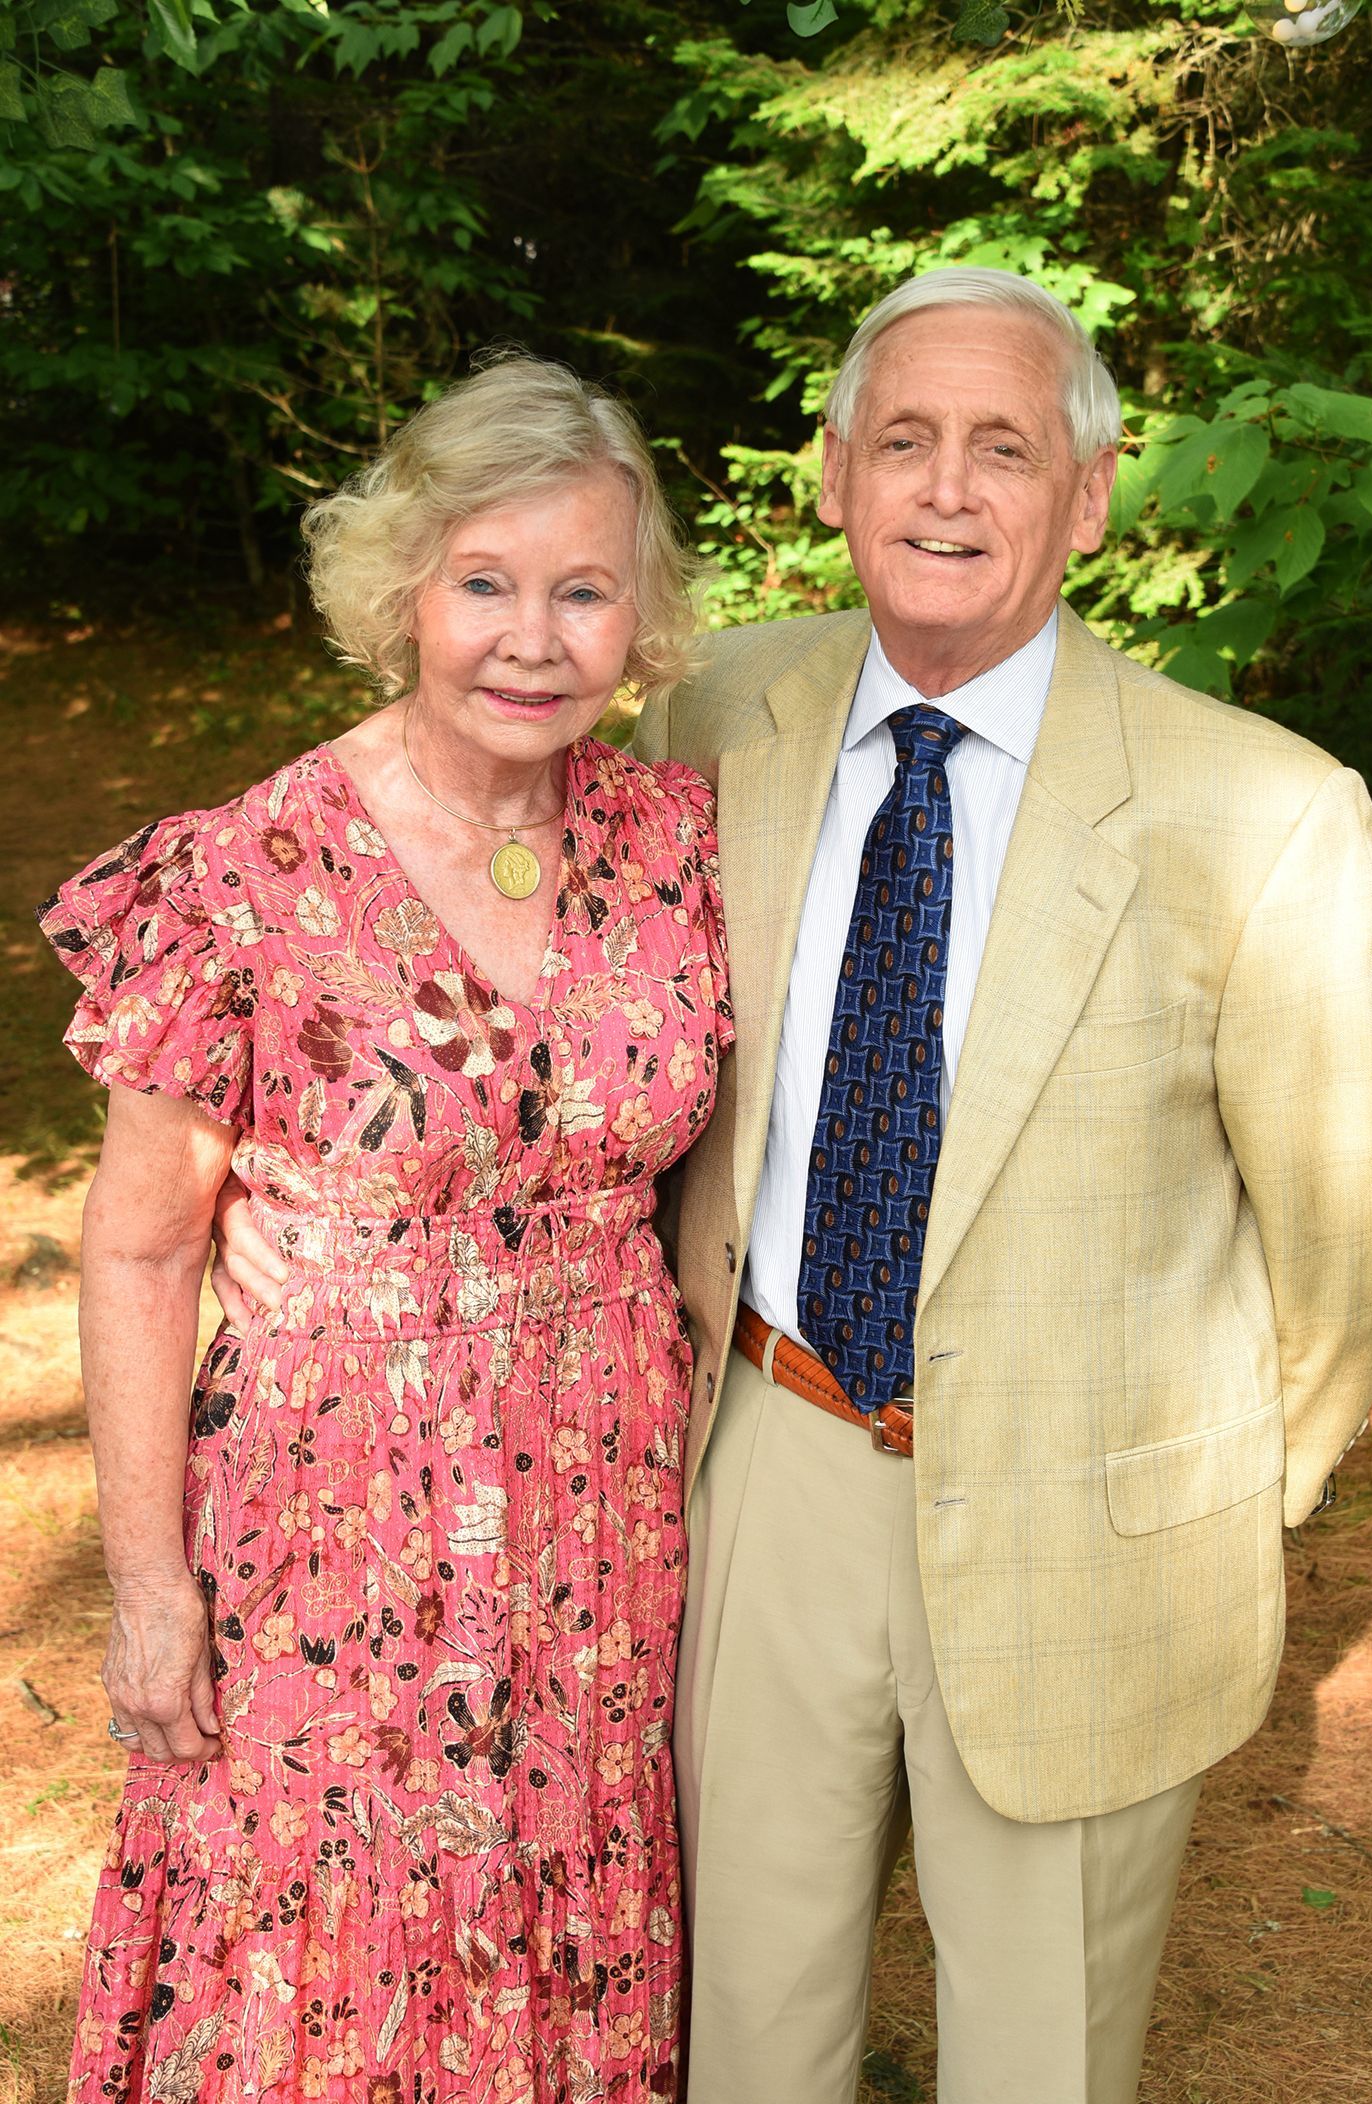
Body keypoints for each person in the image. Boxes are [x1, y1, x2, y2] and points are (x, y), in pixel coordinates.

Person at [217, 269, 1372, 2104]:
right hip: (764, 1467)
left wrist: (1227, 1479)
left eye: (1004, 449)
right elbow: (534, 978)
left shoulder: (1256, 809)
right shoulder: (719, 708)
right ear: (836, 475)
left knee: (1038, 2059)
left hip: (1079, 1518)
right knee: (742, 2030)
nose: (947, 491)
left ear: (1088, 497)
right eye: (905, 442)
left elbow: (1359, 1205)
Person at [37, 351, 731, 2104]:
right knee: (310, 1945)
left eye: (584, 592)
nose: (532, 637)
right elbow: (135, 1247)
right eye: (485, 583)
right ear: (400, 590)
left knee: (569, 1928)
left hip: (609, 1523)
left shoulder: (684, 841)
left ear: (638, 617)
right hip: (327, 1527)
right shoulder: (242, 876)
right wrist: (146, 1586)